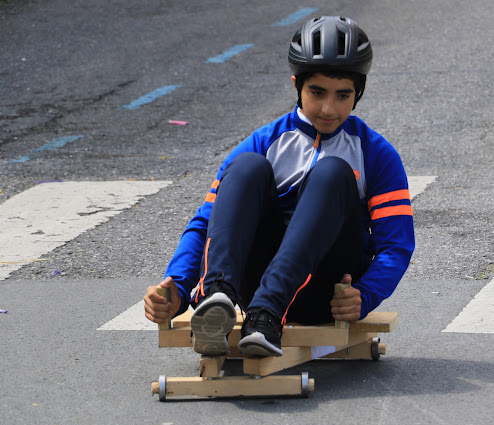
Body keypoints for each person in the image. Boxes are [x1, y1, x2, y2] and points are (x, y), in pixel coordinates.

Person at [143, 16, 414, 358]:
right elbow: (207, 223)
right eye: (317, 92)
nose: (329, 108)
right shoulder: (263, 142)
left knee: (332, 172)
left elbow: (396, 245)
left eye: (342, 95)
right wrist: (178, 288)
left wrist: (365, 294)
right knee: (246, 167)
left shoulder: (376, 153)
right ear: (296, 85)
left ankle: (268, 314)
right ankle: (216, 301)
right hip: (252, 289)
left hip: (323, 292)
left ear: (358, 93)